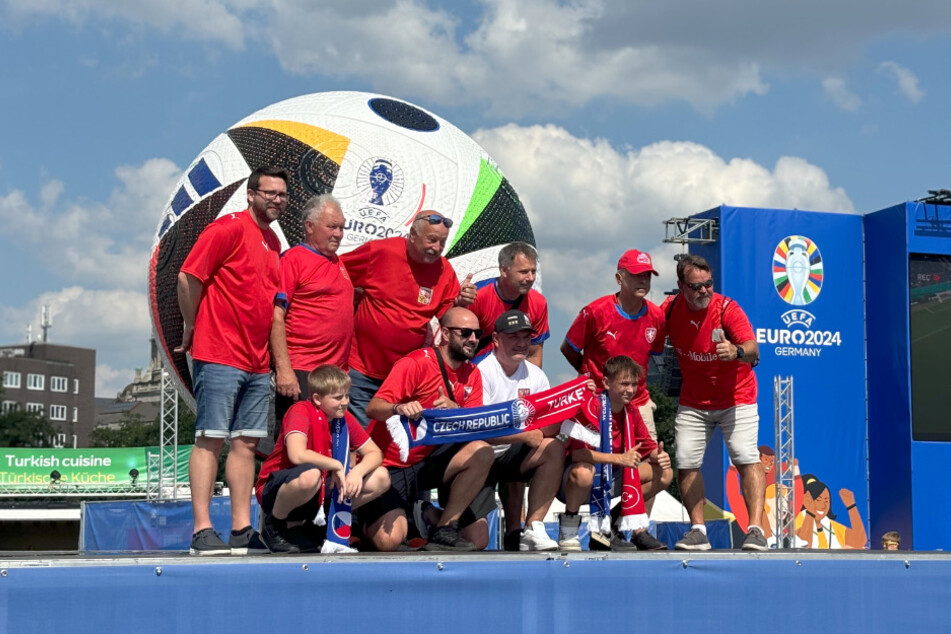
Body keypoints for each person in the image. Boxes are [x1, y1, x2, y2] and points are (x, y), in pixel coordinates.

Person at [175, 166, 289, 556]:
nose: (276, 199)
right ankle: (202, 529)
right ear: (251, 194)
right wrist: (192, 326)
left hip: (257, 362)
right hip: (219, 352)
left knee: (245, 443)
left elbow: (274, 308)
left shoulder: (273, 243)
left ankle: (242, 528)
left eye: (282, 195)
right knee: (210, 439)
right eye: (269, 192)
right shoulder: (228, 229)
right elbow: (188, 277)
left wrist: (276, 362)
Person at [360, 307, 494, 551]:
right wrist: (399, 408)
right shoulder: (415, 363)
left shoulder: (472, 373)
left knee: (482, 452)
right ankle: (362, 521)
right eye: (465, 332)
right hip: (392, 464)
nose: (473, 339)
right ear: (444, 333)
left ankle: (443, 526)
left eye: (477, 333)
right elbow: (373, 408)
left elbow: (475, 427)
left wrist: (456, 411)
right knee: (389, 542)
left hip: (429, 459)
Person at [659, 254, 767, 552]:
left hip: (737, 398)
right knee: (685, 461)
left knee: (746, 458)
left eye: (708, 284)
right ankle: (698, 531)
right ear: (681, 286)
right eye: (696, 286)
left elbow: (752, 348)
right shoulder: (668, 310)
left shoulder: (727, 309)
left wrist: (736, 351)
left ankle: (756, 530)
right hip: (694, 401)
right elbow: (645, 333)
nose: (704, 291)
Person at [341, 211, 477, 427]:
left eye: (442, 242)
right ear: (412, 234)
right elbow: (337, 272)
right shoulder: (380, 251)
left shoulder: (444, 270)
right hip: (362, 371)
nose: (437, 248)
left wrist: (461, 303)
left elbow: (447, 319)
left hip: (403, 378)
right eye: (431, 240)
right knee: (360, 442)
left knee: (392, 444)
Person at [255, 365, 390, 553]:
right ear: (317, 399)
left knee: (381, 477)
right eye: (337, 398)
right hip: (280, 487)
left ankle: (320, 523)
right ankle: (275, 526)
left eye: (347, 396)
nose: (344, 402)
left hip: (319, 486)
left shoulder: (343, 418)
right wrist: (336, 465)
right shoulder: (300, 411)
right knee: (311, 474)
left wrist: (357, 473)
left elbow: (375, 453)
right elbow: (297, 454)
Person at [559, 355, 671, 551]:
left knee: (664, 473)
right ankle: (569, 527)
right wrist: (619, 458)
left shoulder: (631, 411)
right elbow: (579, 455)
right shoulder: (592, 407)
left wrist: (658, 455)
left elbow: (647, 447)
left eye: (634, 384)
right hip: (576, 482)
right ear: (606, 383)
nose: (630, 390)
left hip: (610, 477)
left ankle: (612, 522)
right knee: (584, 472)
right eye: (624, 383)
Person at [477, 310, 562, 551]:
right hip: (479, 456)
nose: (522, 343)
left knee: (553, 447)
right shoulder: (482, 372)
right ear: (495, 339)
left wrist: (570, 408)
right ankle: (431, 516)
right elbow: (476, 431)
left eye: (526, 337)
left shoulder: (536, 376)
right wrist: (523, 435)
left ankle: (532, 527)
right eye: (514, 337)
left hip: (513, 454)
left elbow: (546, 426)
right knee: (475, 540)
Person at [561, 249, 665, 441]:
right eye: (636, 275)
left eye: (647, 276)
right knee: (588, 464)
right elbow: (569, 348)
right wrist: (588, 373)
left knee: (652, 462)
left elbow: (653, 352)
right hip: (596, 400)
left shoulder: (657, 316)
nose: (643, 280)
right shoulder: (595, 312)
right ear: (619, 278)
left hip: (638, 402)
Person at [270, 194, 353, 434]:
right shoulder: (293, 259)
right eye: (331, 227)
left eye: (341, 227)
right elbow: (276, 316)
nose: (338, 233)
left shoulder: (338, 262)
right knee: (297, 445)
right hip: (302, 373)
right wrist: (284, 370)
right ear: (309, 226)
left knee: (329, 446)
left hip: (335, 376)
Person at [471, 242, 549, 367]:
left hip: (513, 375)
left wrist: (534, 384)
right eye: (523, 272)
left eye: (533, 271)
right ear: (503, 270)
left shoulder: (538, 303)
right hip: (476, 371)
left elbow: (534, 353)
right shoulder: (478, 296)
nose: (530, 278)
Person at [795, 475, 867, 549]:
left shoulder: (829, 524)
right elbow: (803, 548)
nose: (823, 506)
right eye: (818, 500)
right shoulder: (797, 520)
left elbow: (859, 541)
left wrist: (851, 506)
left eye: (826, 501)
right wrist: (810, 513)